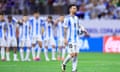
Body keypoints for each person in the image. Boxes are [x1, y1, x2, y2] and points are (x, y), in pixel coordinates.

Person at [61, 4, 88, 72]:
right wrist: (65, 38)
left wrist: (83, 30)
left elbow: (79, 26)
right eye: (73, 8)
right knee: (72, 54)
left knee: (76, 55)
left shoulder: (76, 18)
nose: (75, 9)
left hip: (77, 39)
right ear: (70, 9)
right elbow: (65, 29)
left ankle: (74, 69)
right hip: (70, 40)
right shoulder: (67, 18)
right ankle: (63, 63)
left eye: (75, 8)